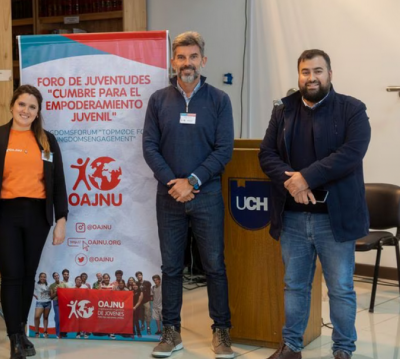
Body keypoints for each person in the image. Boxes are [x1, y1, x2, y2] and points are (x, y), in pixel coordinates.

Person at [259, 49, 370, 359]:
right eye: (305, 71)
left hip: (334, 219)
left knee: (340, 289)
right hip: (293, 216)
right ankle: (292, 347)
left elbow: (350, 155)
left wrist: (304, 178)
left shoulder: (352, 109)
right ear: (299, 75)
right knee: (294, 286)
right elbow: (266, 154)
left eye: (318, 71)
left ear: (330, 74)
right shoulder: (283, 109)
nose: (311, 77)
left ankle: (343, 350)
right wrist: (293, 184)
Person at [143, 31, 234, 359]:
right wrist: (174, 183)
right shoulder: (158, 100)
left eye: (193, 57)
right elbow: (150, 147)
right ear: (172, 61)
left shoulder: (219, 100)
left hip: (206, 196)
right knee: (170, 268)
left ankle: (221, 333)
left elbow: (224, 150)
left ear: (203, 61)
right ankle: (171, 332)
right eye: (181, 57)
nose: (187, 63)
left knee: (214, 266)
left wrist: (192, 181)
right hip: (169, 198)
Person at [0, 84, 68, 359]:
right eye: (22, 104)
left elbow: (59, 182)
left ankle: (21, 331)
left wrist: (61, 218)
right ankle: (14, 338)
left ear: (38, 112)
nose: (25, 110)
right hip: (4, 216)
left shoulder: (47, 141)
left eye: (32, 107)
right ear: (12, 106)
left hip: (38, 217)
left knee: (28, 276)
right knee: (12, 275)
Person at [33, 273, 51, 338]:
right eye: (41, 277)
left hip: (48, 302)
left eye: (44, 277)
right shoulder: (36, 285)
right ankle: (37, 332)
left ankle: (45, 332)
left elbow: (50, 293)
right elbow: (29, 289)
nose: (43, 278)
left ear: (46, 278)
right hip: (40, 302)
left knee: (45, 317)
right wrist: (35, 295)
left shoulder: (48, 285)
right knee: (37, 317)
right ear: (39, 277)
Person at [49, 272, 62, 338]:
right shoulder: (52, 286)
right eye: (55, 276)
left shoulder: (63, 283)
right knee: (57, 317)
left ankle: (63, 333)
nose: (56, 276)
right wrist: (56, 291)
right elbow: (51, 297)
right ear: (53, 277)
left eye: (57, 275)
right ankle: (58, 334)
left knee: (63, 318)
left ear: (59, 276)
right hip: (56, 301)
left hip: (63, 301)